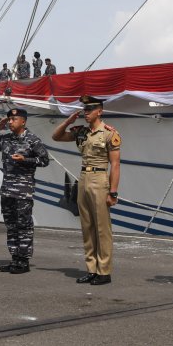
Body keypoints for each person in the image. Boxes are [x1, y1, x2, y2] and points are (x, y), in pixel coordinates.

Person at [52, 96, 121, 286]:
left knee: (102, 228)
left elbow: (115, 165)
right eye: (84, 110)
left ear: (100, 111)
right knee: (87, 226)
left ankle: (104, 271)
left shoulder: (109, 134)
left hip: (100, 179)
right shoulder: (81, 132)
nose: (86, 113)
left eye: (90, 110)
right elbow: (56, 136)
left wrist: (113, 192)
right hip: (83, 179)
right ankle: (92, 269)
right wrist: (68, 121)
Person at [0, 108, 49, 274]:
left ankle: (24, 260)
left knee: (24, 225)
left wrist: (25, 159)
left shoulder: (32, 140)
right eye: (9, 120)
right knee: (11, 225)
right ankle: (14, 258)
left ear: (23, 121)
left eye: (14, 119)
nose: (10, 122)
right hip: (7, 190)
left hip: (23, 190)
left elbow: (44, 160)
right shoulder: (6, 139)